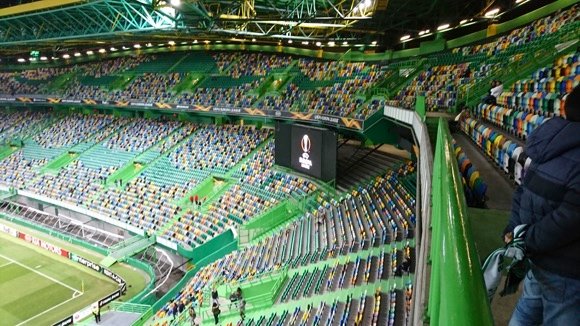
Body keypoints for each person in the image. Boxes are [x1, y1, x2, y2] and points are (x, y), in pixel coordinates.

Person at [503, 85, 580, 326]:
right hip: (566, 269)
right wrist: (526, 239)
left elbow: (522, 191)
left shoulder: (547, 147)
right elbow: (568, 220)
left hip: (537, 258)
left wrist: (517, 233)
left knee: (527, 312)